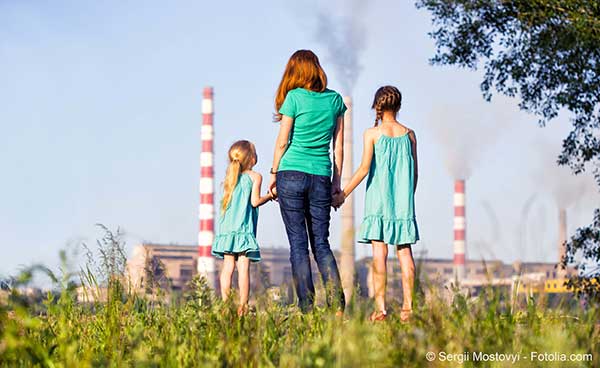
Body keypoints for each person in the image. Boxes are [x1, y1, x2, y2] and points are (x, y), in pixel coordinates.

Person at [268, 49, 346, 313]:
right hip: (321, 176)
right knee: (321, 243)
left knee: (298, 244)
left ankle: (307, 308)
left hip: (290, 172)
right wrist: (336, 182)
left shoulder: (294, 98)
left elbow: (282, 141)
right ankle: (337, 308)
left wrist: (273, 173)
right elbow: (339, 147)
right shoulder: (335, 101)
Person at [334, 86, 419, 322]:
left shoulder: (372, 134)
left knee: (379, 254)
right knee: (405, 254)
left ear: (377, 106)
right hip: (403, 204)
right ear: (399, 106)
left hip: (378, 203)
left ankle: (381, 309)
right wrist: (406, 199)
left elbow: (363, 169)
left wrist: (343, 194)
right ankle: (408, 309)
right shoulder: (410, 134)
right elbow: (415, 174)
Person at [212, 140, 273, 316]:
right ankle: (243, 306)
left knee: (227, 267)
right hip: (243, 230)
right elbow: (255, 201)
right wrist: (270, 196)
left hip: (226, 231)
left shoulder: (228, 180)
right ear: (252, 158)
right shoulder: (255, 177)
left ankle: (225, 304)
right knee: (243, 268)